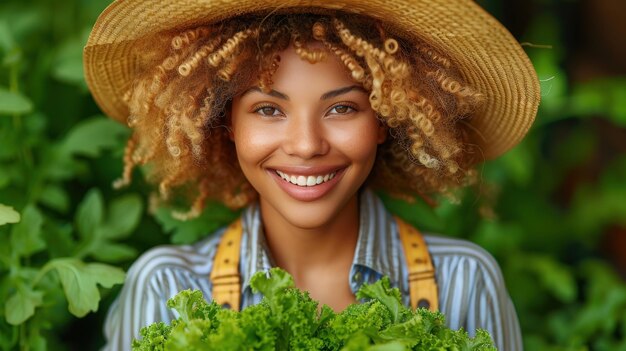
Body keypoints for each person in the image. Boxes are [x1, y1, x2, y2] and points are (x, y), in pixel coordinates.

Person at [83, 1, 540, 350]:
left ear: (383, 120)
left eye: (342, 108)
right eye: (268, 109)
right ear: (225, 125)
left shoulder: (463, 281)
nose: (306, 144)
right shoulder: (166, 287)